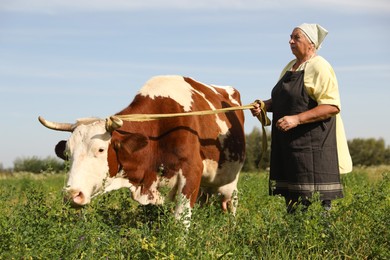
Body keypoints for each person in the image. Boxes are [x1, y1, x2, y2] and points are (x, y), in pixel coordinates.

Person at [251, 23, 352, 213]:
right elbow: (283, 100)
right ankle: (293, 241)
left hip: (314, 147)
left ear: (311, 44)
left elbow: (331, 106)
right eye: (290, 37)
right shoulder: (291, 67)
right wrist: (264, 105)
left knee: (320, 209)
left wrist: (296, 119)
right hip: (290, 146)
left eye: (296, 37)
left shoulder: (320, 66)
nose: (290, 41)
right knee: (293, 205)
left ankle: (325, 241)